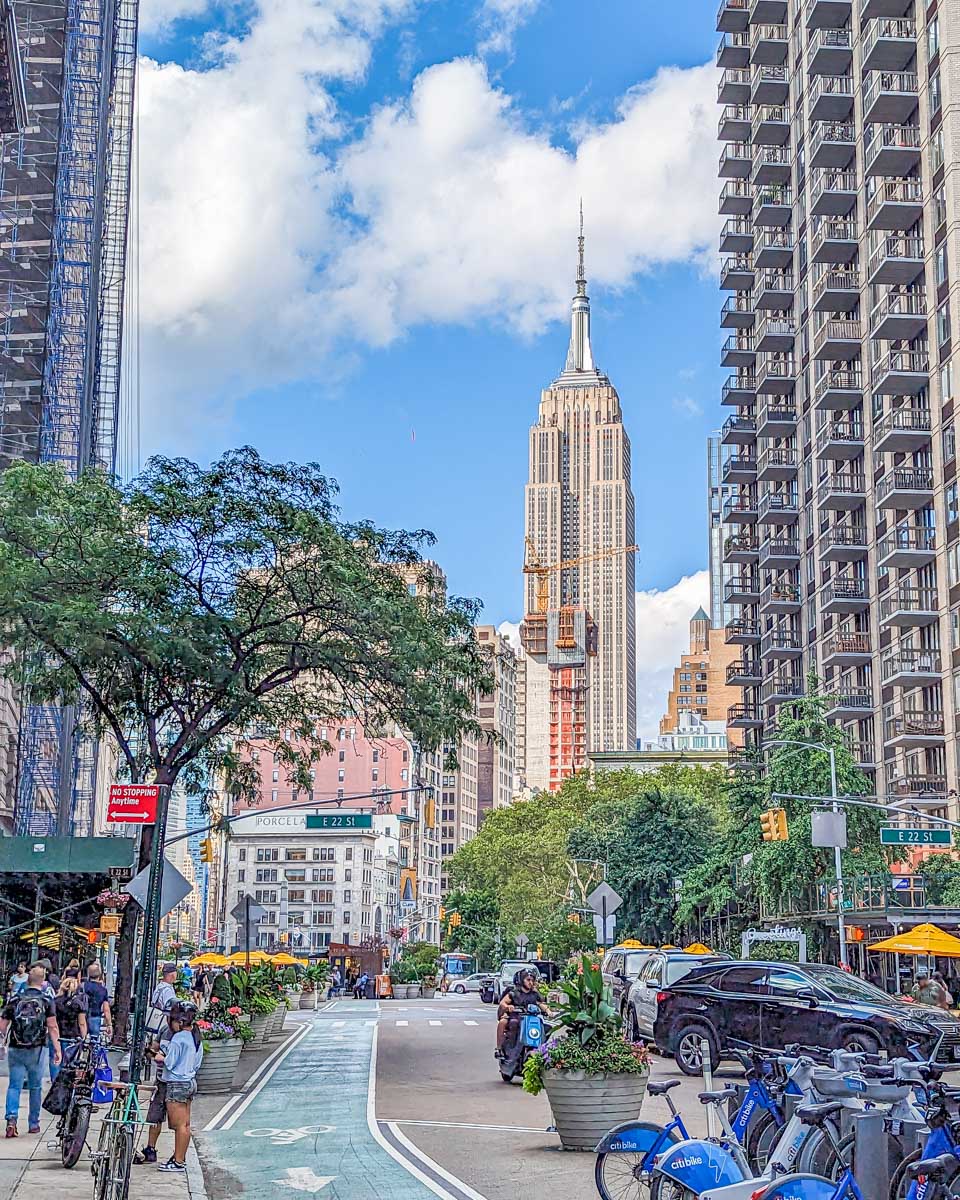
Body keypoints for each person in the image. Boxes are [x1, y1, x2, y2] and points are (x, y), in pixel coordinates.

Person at [0, 963, 61, 1137]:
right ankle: (33, 1123)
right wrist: (57, 1049)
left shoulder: (15, 999)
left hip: (16, 1047)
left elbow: (2, 1025)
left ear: (28, 979)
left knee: (14, 1086)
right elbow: (52, 1026)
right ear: (43, 982)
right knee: (35, 1086)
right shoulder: (46, 1001)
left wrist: (2, 1041)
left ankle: (11, 1119)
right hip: (37, 1048)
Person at [153, 1001, 203, 1173]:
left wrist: (160, 1058)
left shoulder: (179, 1038)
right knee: (186, 1124)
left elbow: (170, 1062)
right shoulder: (195, 1037)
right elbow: (197, 1063)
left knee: (179, 1125)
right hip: (190, 1081)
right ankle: (179, 1158)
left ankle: (179, 1161)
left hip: (177, 1083)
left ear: (179, 1022)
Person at [495, 968, 548, 1060]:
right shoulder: (514, 993)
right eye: (528, 980)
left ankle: (543, 1050)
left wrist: (549, 1011)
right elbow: (503, 1003)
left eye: (532, 980)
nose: (530, 982)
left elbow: (541, 1004)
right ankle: (500, 1049)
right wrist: (508, 1007)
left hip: (531, 1019)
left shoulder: (535, 994)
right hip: (515, 1017)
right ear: (521, 980)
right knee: (505, 1023)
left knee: (546, 1028)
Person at [50, 973, 88, 1081]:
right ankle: (65, 1082)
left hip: (57, 1034)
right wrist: (84, 1037)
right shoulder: (78, 1004)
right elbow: (82, 1023)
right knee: (69, 1060)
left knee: (55, 1059)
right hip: (72, 1035)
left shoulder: (55, 1001)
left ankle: (55, 1082)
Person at [82, 963, 112, 1043]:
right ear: (100, 975)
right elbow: (106, 1009)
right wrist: (109, 1024)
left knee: (80, 1040)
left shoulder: (83, 986)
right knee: (94, 1042)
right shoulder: (102, 990)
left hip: (81, 1016)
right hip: (95, 1017)